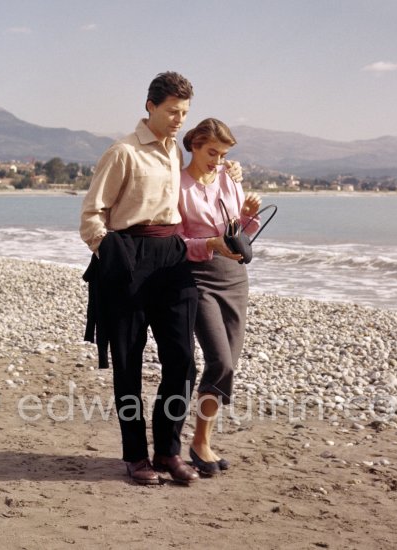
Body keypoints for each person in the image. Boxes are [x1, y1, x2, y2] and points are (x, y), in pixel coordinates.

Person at [79, 73, 242, 486]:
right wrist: (109, 251)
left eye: (184, 113)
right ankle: (135, 456)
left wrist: (231, 173)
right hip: (128, 257)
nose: (178, 120)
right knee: (128, 365)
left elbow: (204, 177)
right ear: (149, 105)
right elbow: (91, 216)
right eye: (172, 111)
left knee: (182, 362)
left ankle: (168, 451)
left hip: (171, 258)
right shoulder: (123, 153)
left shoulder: (173, 151)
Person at [177, 118, 261, 475]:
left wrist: (248, 215)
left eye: (223, 154)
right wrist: (209, 244)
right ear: (194, 144)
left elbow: (236, 233)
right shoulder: (177, 186)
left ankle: (201, 441)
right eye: (212, 152)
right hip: (198, 278)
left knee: (228, 366)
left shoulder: (229, 179)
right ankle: (196, 442)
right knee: (220, 361)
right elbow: (175, 243)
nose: (217, 160)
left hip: (235, 278)